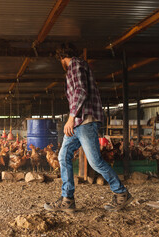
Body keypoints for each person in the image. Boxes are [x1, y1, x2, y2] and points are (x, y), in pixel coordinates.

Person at [44, 43, 133, 213]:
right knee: (63, 156)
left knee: (95, 162)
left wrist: (70, 118)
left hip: (84, 120)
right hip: (78, 122)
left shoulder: (75, 65)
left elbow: (81, 91)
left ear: (62, 59)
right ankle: (67, 199)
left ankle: (122, 193)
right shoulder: (78, 66)